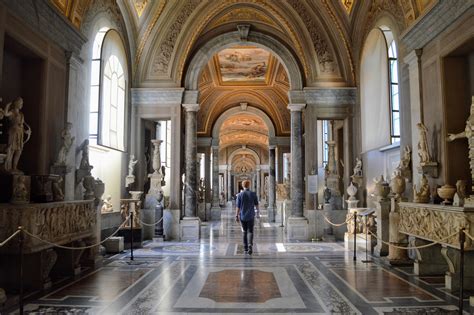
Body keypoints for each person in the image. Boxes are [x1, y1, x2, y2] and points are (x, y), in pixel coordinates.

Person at [235, 180, 260, 255]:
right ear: (249, 185)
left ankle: (245, 247)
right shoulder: (253, 194)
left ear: (243, 186)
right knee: (250, 231)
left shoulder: (239, 195)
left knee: (244, 231)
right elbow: (257, 205)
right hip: (251, 215)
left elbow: (238, 207)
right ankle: (250, 245)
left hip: (242, 216)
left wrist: (236, 215)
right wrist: (258, 213)